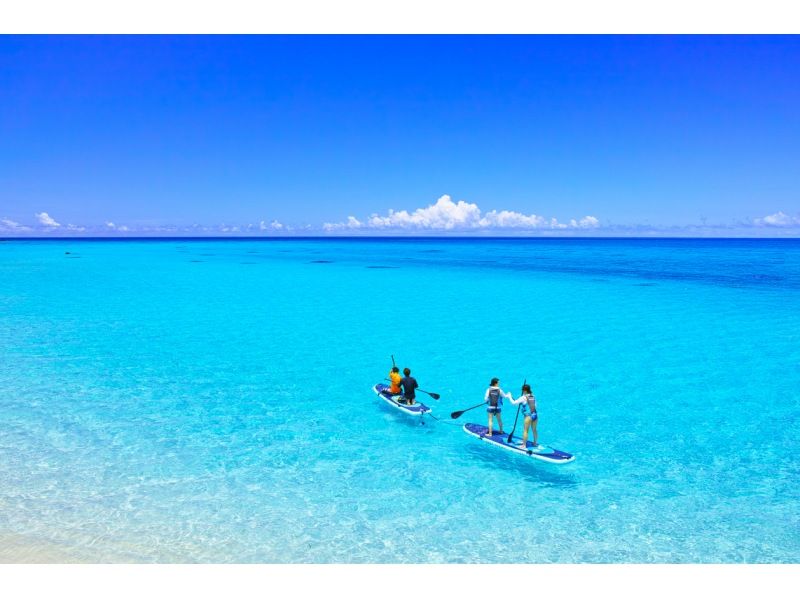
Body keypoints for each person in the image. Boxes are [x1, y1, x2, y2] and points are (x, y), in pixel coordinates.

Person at [510, 383, 539, 447]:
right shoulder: (533, 396)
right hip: (535, 415)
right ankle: (535, 443)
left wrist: (510, 396)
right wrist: (523, 404)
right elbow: (534, 405)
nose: (522, 391)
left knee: (525, 430)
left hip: (528, 416)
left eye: (522, 390)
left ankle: (524, 445)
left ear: (525, 390)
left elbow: (513, 403)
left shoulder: (523, 397)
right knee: (534, 429)